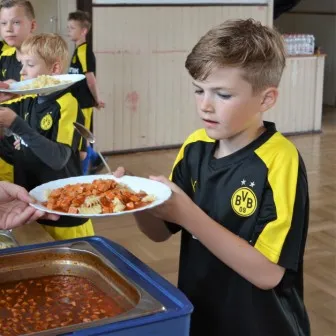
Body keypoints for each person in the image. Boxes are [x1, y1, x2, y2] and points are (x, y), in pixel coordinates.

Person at [114, 19, 310, 336]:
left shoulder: (279, 159)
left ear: (266, 99)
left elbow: (268, 274)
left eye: (222, 94)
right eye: (199, 90)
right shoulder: (196, 147)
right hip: (202, 314)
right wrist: (135, 199)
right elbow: (160, 233)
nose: (205, 105)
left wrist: (189, 216)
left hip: (262, 325)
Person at [0, 33, 94, 241]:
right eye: (21, 64)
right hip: (31, 207)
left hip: (64, 214)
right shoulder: (29, 99)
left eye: (29, 65)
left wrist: (17, 126)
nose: (22, 72)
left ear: (54, 69)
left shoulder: (67, 103)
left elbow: (58, 158)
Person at [0, 0, 36, 182]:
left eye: (16, 22)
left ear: (32, 25)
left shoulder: (43, 59)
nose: (8, 29)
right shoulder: (4, 57)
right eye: (3, 23)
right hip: (5, 145)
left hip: (33, 147)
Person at [67, 10, 105, 175]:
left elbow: (90, 78)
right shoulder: (76, 50)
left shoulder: (84, 51)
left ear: (84, 31)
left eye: (72, 27)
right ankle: (96, 159)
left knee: (83, 139)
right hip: (76, 102)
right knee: (81, 137)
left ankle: (85, 173)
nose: (69, 30)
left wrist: (97, 99)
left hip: (83, 103)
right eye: (68, 27)